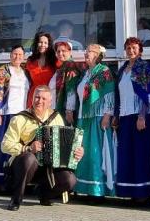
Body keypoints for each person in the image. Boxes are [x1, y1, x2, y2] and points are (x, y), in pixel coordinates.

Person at [1, 85, 84, 210]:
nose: (39, 101)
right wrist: (27, 148)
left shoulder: (56, 118)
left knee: (70, 180)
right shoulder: (20, 118)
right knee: (29, 158)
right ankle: (16, 199)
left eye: (44, 99)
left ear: (50, 102)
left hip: (47, 168)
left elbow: (65, 142)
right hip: (22, 167)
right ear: (32, 98)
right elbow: (5, 145)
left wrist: (77, 151)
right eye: (37, 97)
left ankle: (43, 193)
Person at [66, 43, 116, 198]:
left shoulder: (104, 71)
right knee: (82, 153)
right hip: (83, 117)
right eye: (86, 51)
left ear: (98, 55)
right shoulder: (85, 73)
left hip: (97, 117)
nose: (86, 54)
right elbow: (76, 92)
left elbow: (109, 94)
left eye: (90, 52)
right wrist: (70, 108)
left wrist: (107, 115)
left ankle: (97, 191)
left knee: (96, 153)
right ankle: (83, 188)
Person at [114, 36, 150, 204]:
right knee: (128, 155)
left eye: (134, 48)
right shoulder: (122, 69)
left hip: (141, 117)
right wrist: (117, 116)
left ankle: (144, 194)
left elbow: (149, 92)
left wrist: (142, 115)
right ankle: (132, 191)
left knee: (142, 155)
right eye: (128, 48)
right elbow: (119, 95)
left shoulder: (145, 67)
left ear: (140, 50)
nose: (130, 50)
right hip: (125, 117)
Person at [0, 44, 29, 190]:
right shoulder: (3, 70)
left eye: (20, 55)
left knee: (17, 150)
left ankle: (13, 181)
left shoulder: (25, 73)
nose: (17, 57)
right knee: (3, 146)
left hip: (21, 116)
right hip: (6, 114)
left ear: (24, 57)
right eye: (14, 54)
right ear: (10, 55)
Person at [49, 38, 84, 118]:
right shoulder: (62, 67)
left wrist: (69, 110)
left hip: (65, 112)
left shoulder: (71, 67)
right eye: (58, 51)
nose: (60, 53)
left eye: (63, 51)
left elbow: (71, 90)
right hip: (56, 109)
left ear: (70, 51)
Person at [25, 31, 57, 107]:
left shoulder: (54, 60)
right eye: (40, 42)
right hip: (34, 96)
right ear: (36, 44)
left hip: (49, 96)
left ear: (49, 45)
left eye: (45, 43)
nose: (43, 45)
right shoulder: (30, 60)